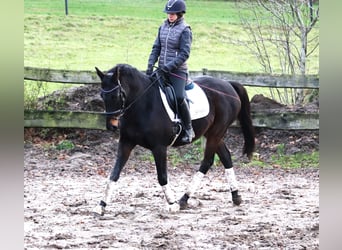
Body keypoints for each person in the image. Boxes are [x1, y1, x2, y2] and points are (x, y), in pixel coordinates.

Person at [146, 0, 195, 143]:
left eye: (173, 13)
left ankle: (188, 128)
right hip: (161, 69)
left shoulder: (185, 29)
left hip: (177, 71)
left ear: (180, 14)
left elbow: (184, 54)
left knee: (179, 97)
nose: (170, 16)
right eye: (168, 13)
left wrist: (168, 67)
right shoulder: (162, 27)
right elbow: (156, 47)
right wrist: (150, 64)